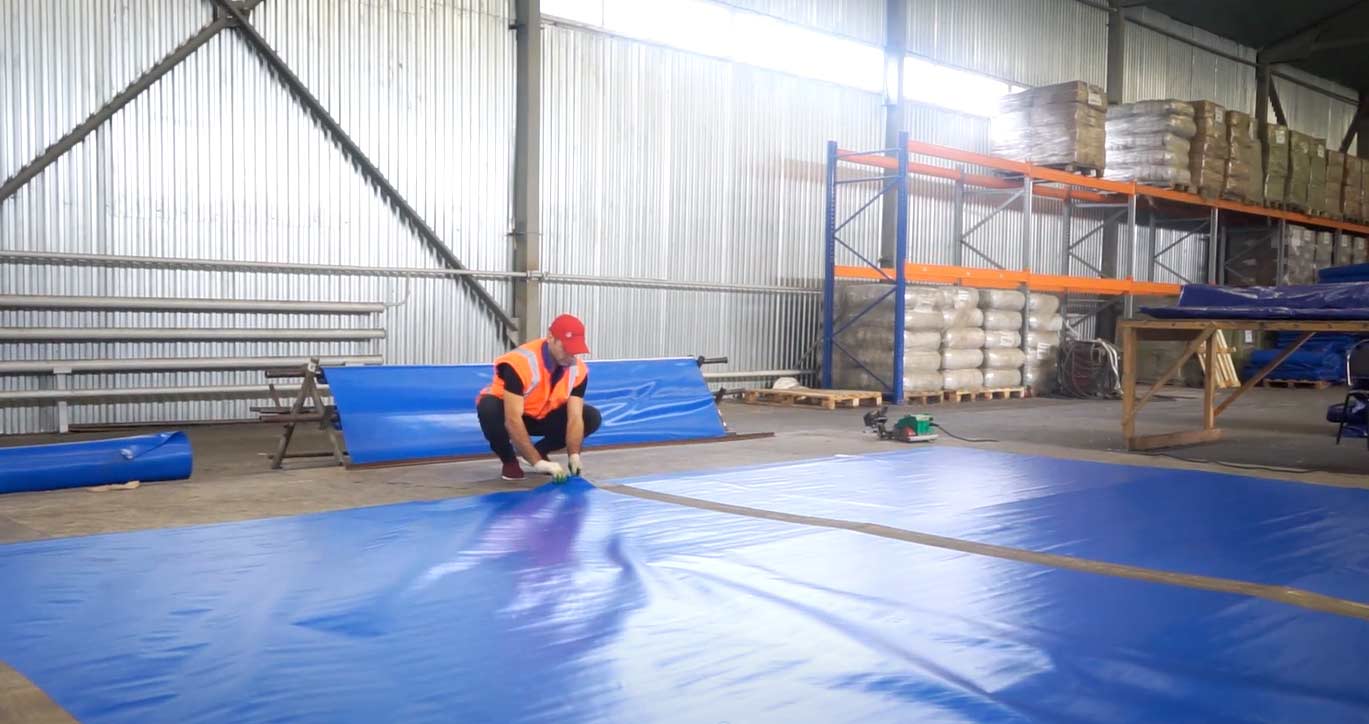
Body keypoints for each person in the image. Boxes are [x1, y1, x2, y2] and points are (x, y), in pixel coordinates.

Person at [476, 314, 602, 481]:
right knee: (488, 408)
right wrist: (537, 463)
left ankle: (540, 450)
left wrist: (574, 454)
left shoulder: (578, 370)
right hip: (511, 415)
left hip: (543, 416)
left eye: (574, 349)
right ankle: (509, 460)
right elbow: (512, 419)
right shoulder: (520, 363)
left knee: (590, 417)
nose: (570, 355)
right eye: (565, 348)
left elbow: (575, 418)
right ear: (550, 337)